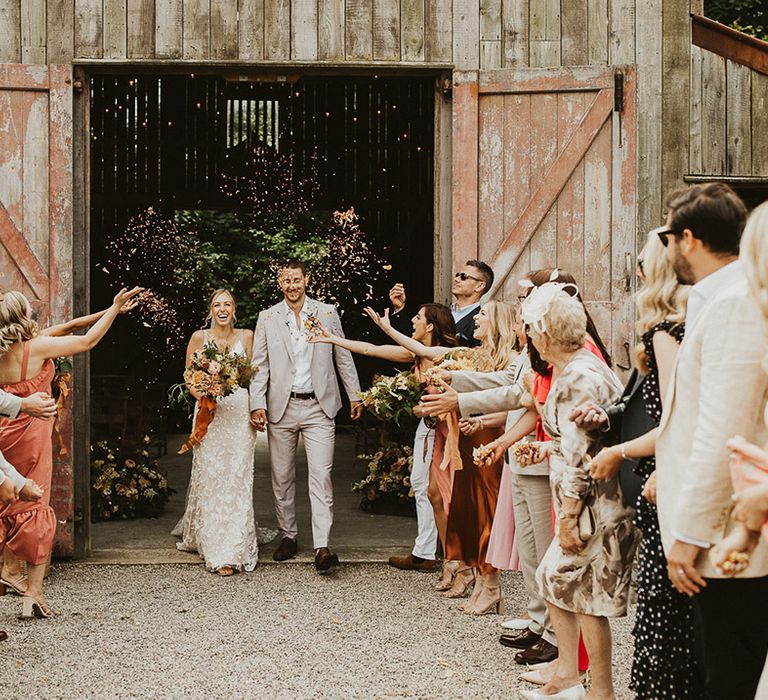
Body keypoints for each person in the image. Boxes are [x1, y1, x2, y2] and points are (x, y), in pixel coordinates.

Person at [645, 184, 768, 699]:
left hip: (729, 538)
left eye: (666, 235)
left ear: (687, 238)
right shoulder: (716, 298)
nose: (665, 247)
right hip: (721, 528)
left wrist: (691, 533)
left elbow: (724, 428)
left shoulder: (736, 303)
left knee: (728, 677)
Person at [587, 229, 702, 698]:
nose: (634, 272)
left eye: (640, 263)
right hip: (664, 476)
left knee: (666, 608)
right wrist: (607, 418)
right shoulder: (673, 328)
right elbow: (639, 405)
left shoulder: (666, 331)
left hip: (668, 483)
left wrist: (619, 451)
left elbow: (679, 419)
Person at [516, 282, 636, 700]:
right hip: (588, 498)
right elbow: (582, 438)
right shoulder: (582, 366)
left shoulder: (576, 378)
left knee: (582, 593)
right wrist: (545, 447)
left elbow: (583, 460)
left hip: (593, 505)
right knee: (560, 584)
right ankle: (570, 677)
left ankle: (597, 689)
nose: (530, 337)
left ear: (546, 333)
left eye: (531, 329)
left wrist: (568, 516)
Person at [0, 286, 141, 617]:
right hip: (32, 438)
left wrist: (111, 310)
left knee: (6, 501)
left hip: (4, 434)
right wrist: (113, 310)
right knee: (36, 506)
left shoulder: (11, 349)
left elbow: (68, 327)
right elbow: (87, 341)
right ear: (24, 317)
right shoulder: (36, 348)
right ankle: (33, 594)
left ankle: (8, 568)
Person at [372, 300, 517, 614]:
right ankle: (480, 581)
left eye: (483, 314)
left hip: (489, 436)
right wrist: (386, 328)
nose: (476, 318)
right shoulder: (472, 356)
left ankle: (490, 585)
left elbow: (514, 403)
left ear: (499, 323)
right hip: (468, 435)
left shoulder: (514, 361)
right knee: (469, 512)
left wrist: (482, 419)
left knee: (485, 513)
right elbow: (428, 353)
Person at [309, 303, 458, 572]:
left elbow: (422, 351)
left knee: (440, 492)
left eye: (417, 317)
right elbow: (371, 349)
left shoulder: (443, 354)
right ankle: (424, 550)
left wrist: (386, 327)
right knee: (420, 483)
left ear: (432, 326)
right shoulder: (414, 355)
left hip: (447, 429)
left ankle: (451, 556)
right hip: (427, 426)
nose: (413, 320)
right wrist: (332, 339)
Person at [249, 260, 362, 572]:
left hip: (319, 406)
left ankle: (322, 546)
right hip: (281, 407)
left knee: (321, 476)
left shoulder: (326, 312)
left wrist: (355, 393)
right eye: (286, 280)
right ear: (279, 283)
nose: (292, 285)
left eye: (296, 279)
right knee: (282, 476)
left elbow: (343, 354)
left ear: (306, 280)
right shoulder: (268, 318)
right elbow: (260, 366)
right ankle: (288, 535)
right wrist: (257, 403)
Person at [174, 289, 266, 575]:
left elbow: (255, 374)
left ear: (234, 308)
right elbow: (189, 375)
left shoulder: (247, 336)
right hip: (209, 413)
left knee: (237, 477)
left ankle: (235, 547)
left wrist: (257, 407)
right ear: (210, 309)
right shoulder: (199, 338)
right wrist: (203, 393)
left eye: (227, 304)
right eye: (217, 304)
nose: (222, 309)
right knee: (211, 476)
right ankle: (215, 546)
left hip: (238, 413)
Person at [389, 260, 494, 347]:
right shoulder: (442, 312)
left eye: (463, 276)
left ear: (480, 286)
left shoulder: (481, 320)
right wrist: (399, 308)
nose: (456, 279)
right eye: (457, 275)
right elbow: (412, 342)